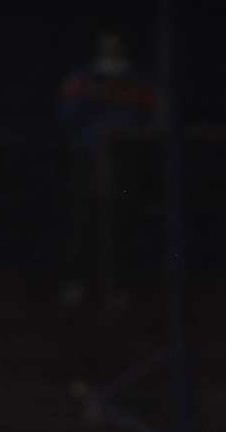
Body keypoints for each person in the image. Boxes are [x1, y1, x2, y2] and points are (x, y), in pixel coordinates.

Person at [58, 27, 156, 308]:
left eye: (117, 42)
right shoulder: (81, 78)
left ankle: (119, 287)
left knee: (123, 222)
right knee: (83, 220)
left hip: (127, 162)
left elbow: (154, 118)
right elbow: (67, 117)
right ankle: (76, 282)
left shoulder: (140, 81)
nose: (111, 47)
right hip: (88, 159)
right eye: (106, 42)